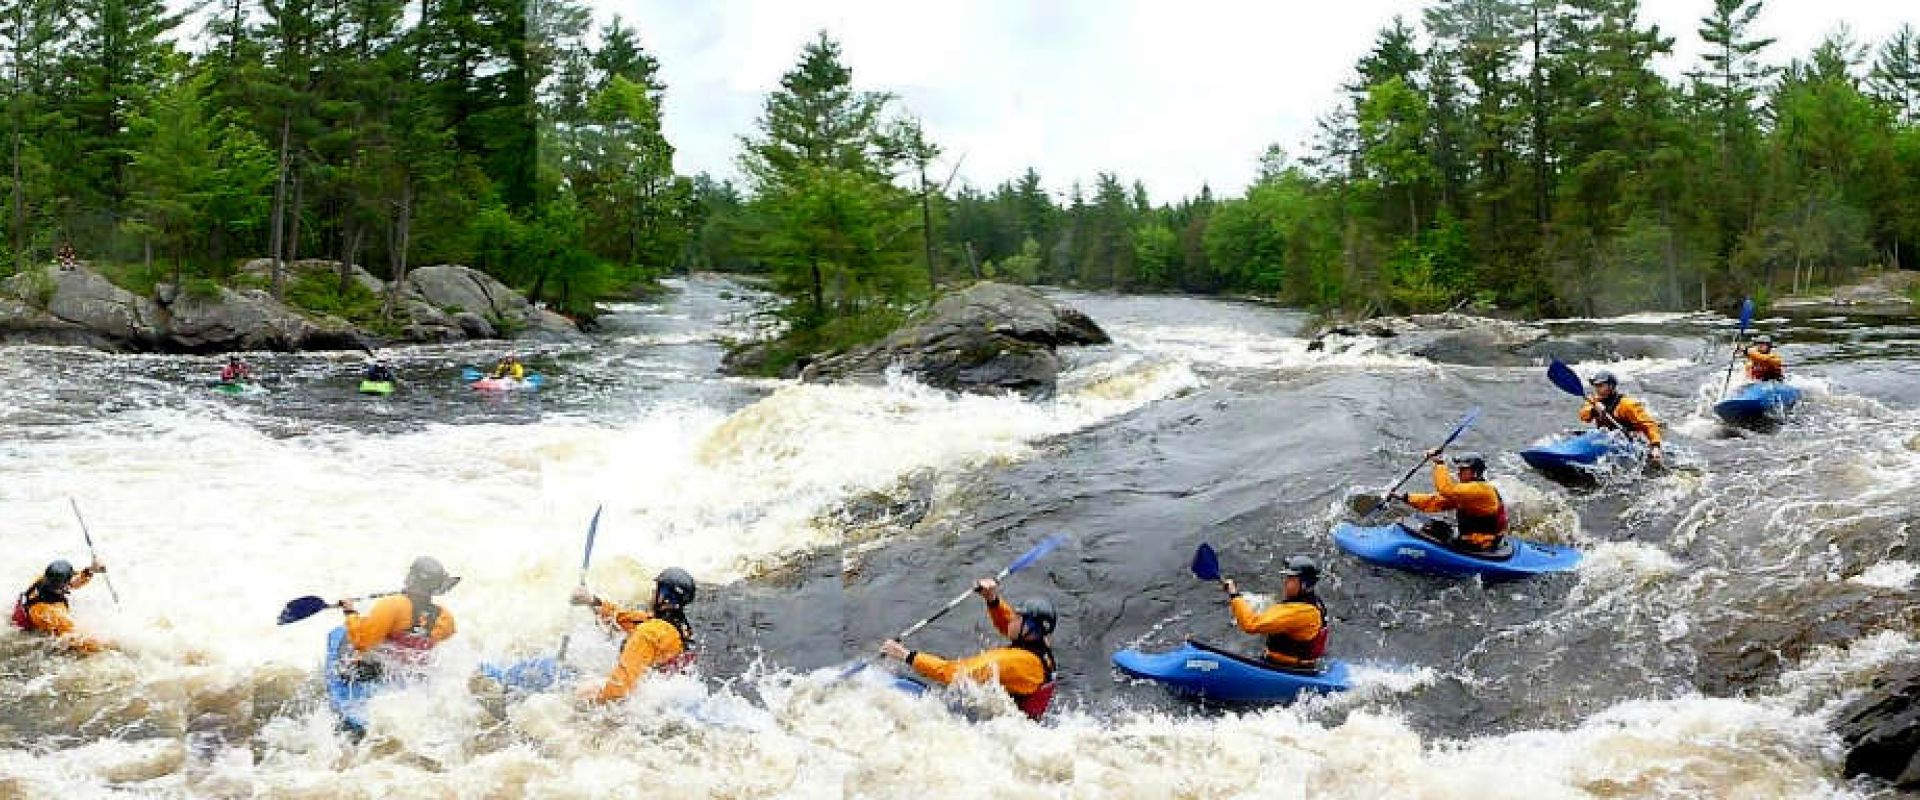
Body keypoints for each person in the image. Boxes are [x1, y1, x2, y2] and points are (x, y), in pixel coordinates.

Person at [878, 579, 1058, 720]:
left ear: (1030, 629)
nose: (1012, 618)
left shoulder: (1015, 662)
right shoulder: (1040, 644)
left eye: (1018, 617)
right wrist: (992, 599)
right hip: (1018, 720)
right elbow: (1009, 625)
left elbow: (955, 674)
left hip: (1003, 732)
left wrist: (906, 655)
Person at [571, 567, 699, 704]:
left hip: (633, 705)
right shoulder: (678, 627)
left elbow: (618, 690)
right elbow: (620, 618)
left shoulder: (648, 633)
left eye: (657, 589)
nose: (653, 592)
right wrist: (591, 600)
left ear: (665, 598)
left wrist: (589, 699)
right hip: (659, 697)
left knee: (582, 690)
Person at [339, 557, 458, 674]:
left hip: (380, 671)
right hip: (415, 674)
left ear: (412, 578)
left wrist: (350, 613)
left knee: (345, 635)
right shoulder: (445, 617)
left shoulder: (392, 604)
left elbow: (363, 640)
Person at [1222, 556, 1328, 671]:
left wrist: (1234, 595)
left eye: (1291, 579)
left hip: (1285, 670)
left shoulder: (1300, 611)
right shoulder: (1314, 603)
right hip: (1297, 667)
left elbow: (1250, 625)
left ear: (1305, 584)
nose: (1285, 582)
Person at [1393, 452, 1507, 553]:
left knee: (1435, 531)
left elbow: (1445, 490)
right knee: (1434, 526)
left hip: (1483, 542)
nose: (1459, 473)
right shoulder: (1469, 491)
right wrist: (1405, 497)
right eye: (1459, 470)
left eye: (1463, 470)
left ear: (1475, 472)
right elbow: (1437, 502)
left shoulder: (1480, 490)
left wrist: (1439, 463)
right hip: (1472, 538)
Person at [11, 559, 107, 653]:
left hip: (31, 611)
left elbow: (74, 582)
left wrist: (90, 570)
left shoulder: (44, 580)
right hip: (30, 628)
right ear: (63, 586)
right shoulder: (52, 614)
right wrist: (106, 647)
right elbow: (75, 638)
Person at [1580, 370, 1665, 466]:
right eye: (1596, 386)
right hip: (1607, 439)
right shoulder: (1595, 402)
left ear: (1611, 386)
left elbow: (1649, 425)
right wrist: (1594, 410)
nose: (1597, 389)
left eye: (1600, 386)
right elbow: (1583, 416)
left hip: (1629, 443)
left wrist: (1656, 447)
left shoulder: (1627, 404)